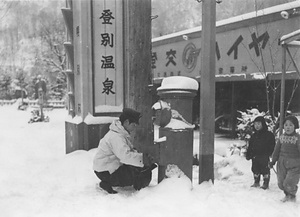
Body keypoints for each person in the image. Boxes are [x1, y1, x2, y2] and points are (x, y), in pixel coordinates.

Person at [93, 108, 156, 194]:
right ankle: (108, 183)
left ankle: (109, 182)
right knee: (141, 172)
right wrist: (142, 159)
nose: (134, 128)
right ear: (126, 122)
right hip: (106, 171)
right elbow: (125, 156)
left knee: (140, 167)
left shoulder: (120, 133)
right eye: (133, 125)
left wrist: (141, 157)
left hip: (108, 168)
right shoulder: (116, 137)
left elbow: (129, 152)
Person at [269, 115, 300, 202]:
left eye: (291, 125)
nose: (288, 127)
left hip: (295, 164)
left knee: (289, 182)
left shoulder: (298, 138)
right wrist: (273, 161)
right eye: (286, 125)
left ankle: (291, 195)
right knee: (281, 183)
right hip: (281, 163)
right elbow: (276, 150)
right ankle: (287, 194)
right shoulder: (281, 137)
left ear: (295, 126)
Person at [246, 116, 275, 189]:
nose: (257, 126)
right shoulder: (254, 135)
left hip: (264, 155)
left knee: (265, 169)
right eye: (255, 124)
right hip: (255, 156)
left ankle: (266, 182)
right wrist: (249, 154)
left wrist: (270, 152)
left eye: (259, 124)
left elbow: (272, 144)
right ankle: (256, 181)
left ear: (263, 124)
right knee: (255, 168)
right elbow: (250, 145)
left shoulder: (268, 135)